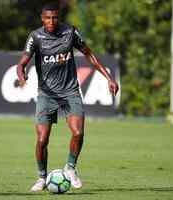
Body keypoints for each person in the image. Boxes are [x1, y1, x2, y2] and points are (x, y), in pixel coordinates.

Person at [16, 3, 119, 192]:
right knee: (42, 140)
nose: (51, 21)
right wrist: (22, 75)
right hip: (46, 95)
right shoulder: (36, 36)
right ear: (42, 18)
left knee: (78, 133)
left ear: (59, 17)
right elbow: (22, 63)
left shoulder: (70, 32)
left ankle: (70, 168)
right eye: (48, 18)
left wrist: (109, 78)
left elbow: (89, 54)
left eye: (55, 17)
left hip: (70, 91)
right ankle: (42, 177)